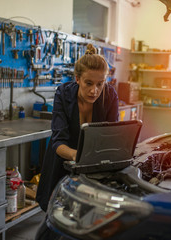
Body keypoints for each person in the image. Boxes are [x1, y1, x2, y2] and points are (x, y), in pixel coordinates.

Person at [35, 43, 119, 239]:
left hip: (95, 170)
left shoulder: (110, 96)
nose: (94, 91)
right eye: (88, 83)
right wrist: (80, 157)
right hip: (62, 162)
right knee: (55, 222)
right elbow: (58, 141)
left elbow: (112, 137)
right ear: (77, 79)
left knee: (88, 223)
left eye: (100, 84)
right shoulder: (63, 94)